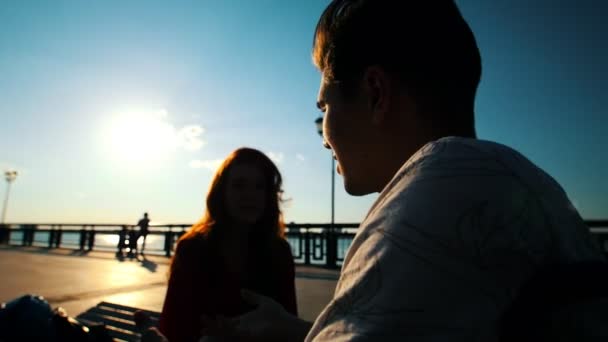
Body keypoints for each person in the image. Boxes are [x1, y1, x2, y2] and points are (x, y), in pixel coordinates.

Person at [207, 1, 606, 341]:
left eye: (324, 107)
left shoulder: (425, 209)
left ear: (376, 94)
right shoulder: (526, 184)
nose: (325, 136)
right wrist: (296, 331)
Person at [157, 147, 298, 342]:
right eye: (239, 185)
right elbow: (173, 326)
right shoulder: (192, 248)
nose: (250, 195)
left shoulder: (279, 252)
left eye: (260, 186)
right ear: (221, 192)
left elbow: (288, 326)